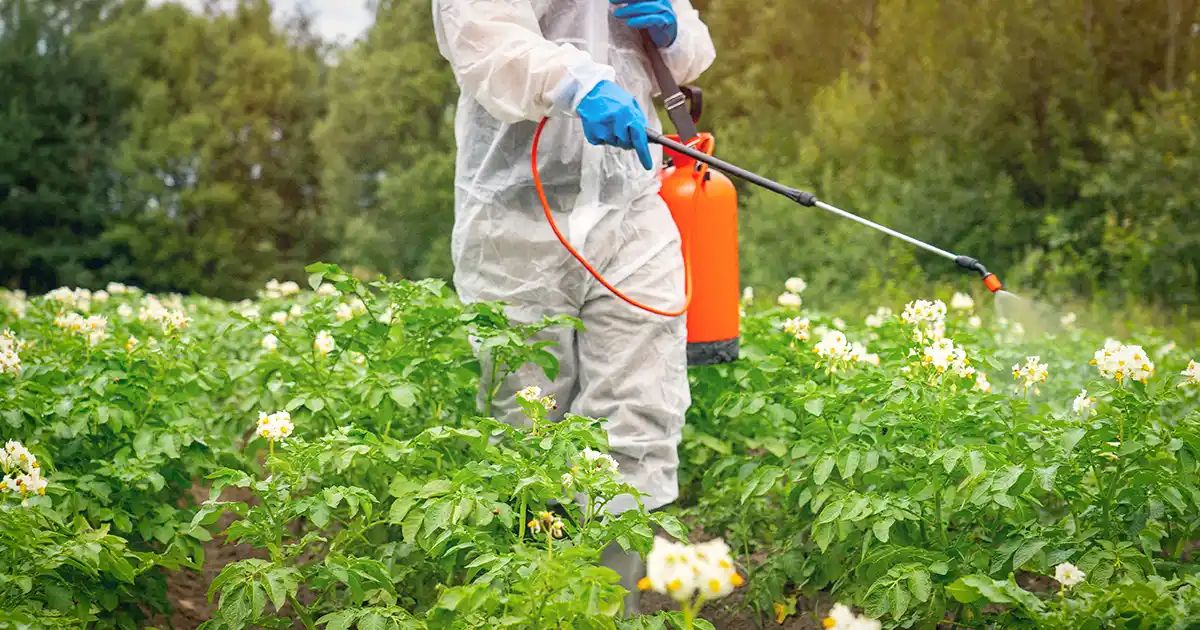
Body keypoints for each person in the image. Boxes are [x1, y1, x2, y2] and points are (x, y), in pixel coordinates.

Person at [432, 0, 715, 614]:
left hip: (631, 203)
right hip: (515, 218)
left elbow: (692, 51)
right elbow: (482, 38)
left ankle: (611, 609)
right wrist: (573, 83)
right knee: (531, 430)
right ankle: (547, 602)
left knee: (638, 413)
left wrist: (674, 29)